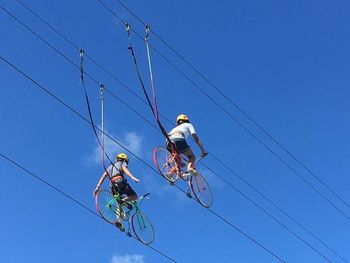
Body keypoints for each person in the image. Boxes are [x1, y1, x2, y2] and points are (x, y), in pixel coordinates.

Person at [93, 153, 140, 230]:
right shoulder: (122, 162)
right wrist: (132, 177)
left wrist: (98, 187)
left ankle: (119, 222)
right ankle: (123, 201)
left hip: (112, 185)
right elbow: (125, 169)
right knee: (134, 196)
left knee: (119, 204)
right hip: (120, 182)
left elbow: (103, 176)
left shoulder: (109, 167)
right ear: (124, 159)